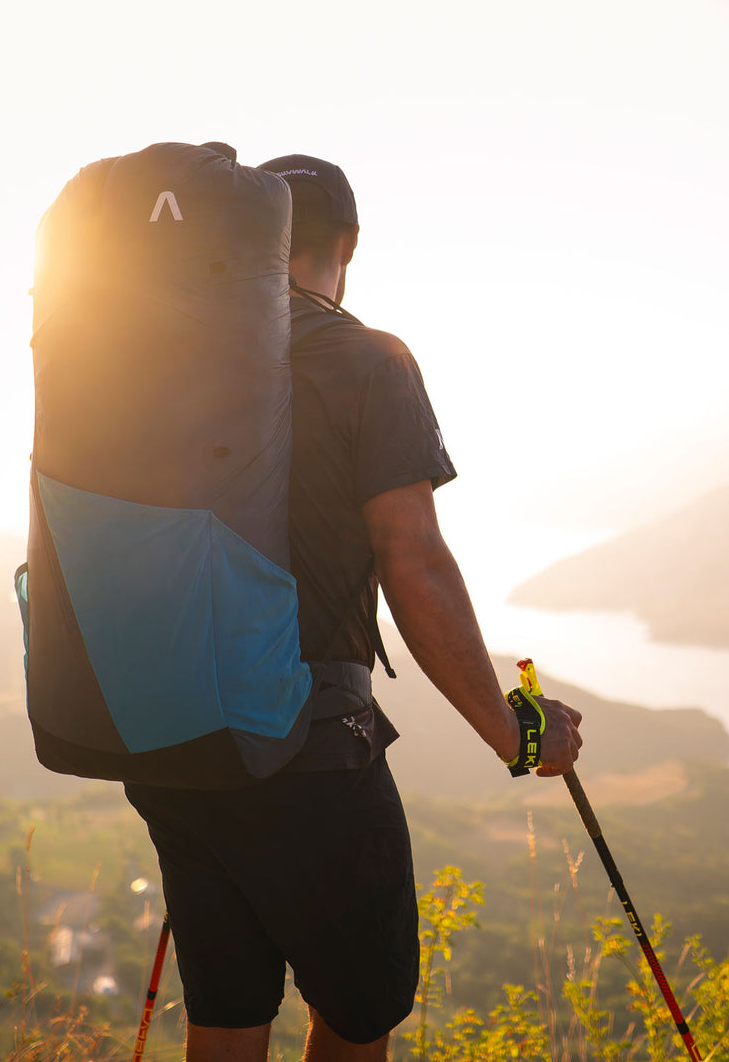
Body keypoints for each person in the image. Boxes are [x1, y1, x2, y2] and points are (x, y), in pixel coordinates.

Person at [123, 154, 584, 1062]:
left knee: (225, 1008)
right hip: (308, 751)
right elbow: (411, 558)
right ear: (348, 247)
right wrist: (514, 732)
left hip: (169, 744)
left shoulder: (160, 360)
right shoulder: (363, 356)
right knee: (360, 1011)